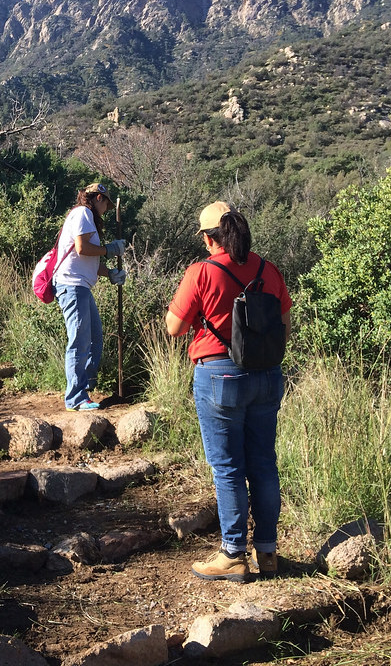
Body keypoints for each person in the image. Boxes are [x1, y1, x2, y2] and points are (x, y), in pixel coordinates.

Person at [164, 201, 292, 583]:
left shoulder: (201, 272)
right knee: (264, 464)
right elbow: (284, 323)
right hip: (267, 375)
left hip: (219, 375)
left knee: (228, 469)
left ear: (208, 239)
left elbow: (174, 327)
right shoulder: (268, 270)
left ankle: (233, 554)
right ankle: (267, 552)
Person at [52, 183, 126, 412]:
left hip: (80, 285)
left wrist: (110, 273)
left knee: (94, 339)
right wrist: (109, 249)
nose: (106, 209)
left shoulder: (87, 217)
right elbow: (82, 248)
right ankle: (75, 398)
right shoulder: (83, 213)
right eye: (106, 203)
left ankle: (85, 388)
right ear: (98, 198)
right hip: (72, 286)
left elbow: (86, 260)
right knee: (80, 342)